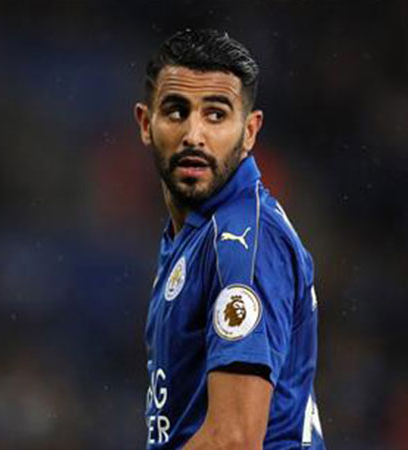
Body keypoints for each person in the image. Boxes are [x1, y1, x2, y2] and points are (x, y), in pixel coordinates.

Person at [134, 28, 326, 450]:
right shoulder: (196, 234)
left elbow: (234, 441)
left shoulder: (243, 243)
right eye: (176, 111)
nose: (194, 135)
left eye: (216, 115)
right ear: (146, 123)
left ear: (250, 131)